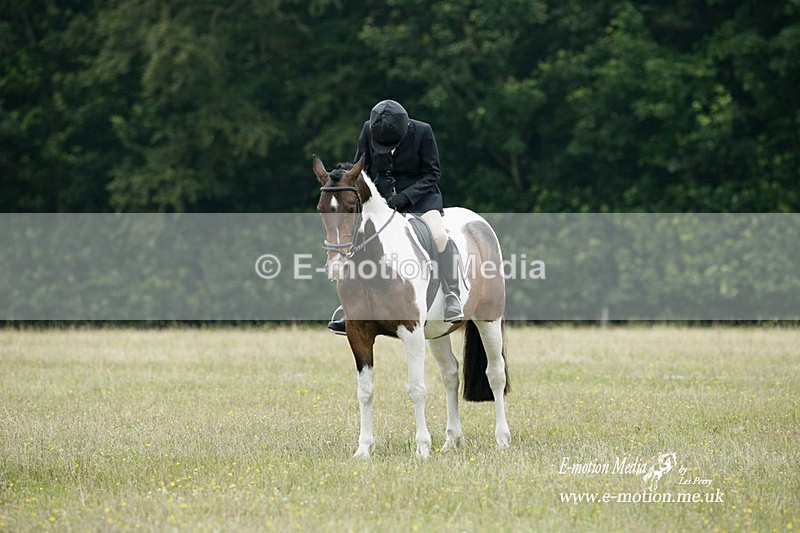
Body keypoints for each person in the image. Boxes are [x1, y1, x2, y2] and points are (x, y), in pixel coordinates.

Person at [328, 99, 464, 334]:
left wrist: (405, 197)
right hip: (380, 203)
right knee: (357, 241)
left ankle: (453, 294)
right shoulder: (368, 129)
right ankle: (350, 307)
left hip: (421, 200)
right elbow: (360, 170)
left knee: (440, 236)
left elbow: (432, 173)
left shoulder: (423, 131)